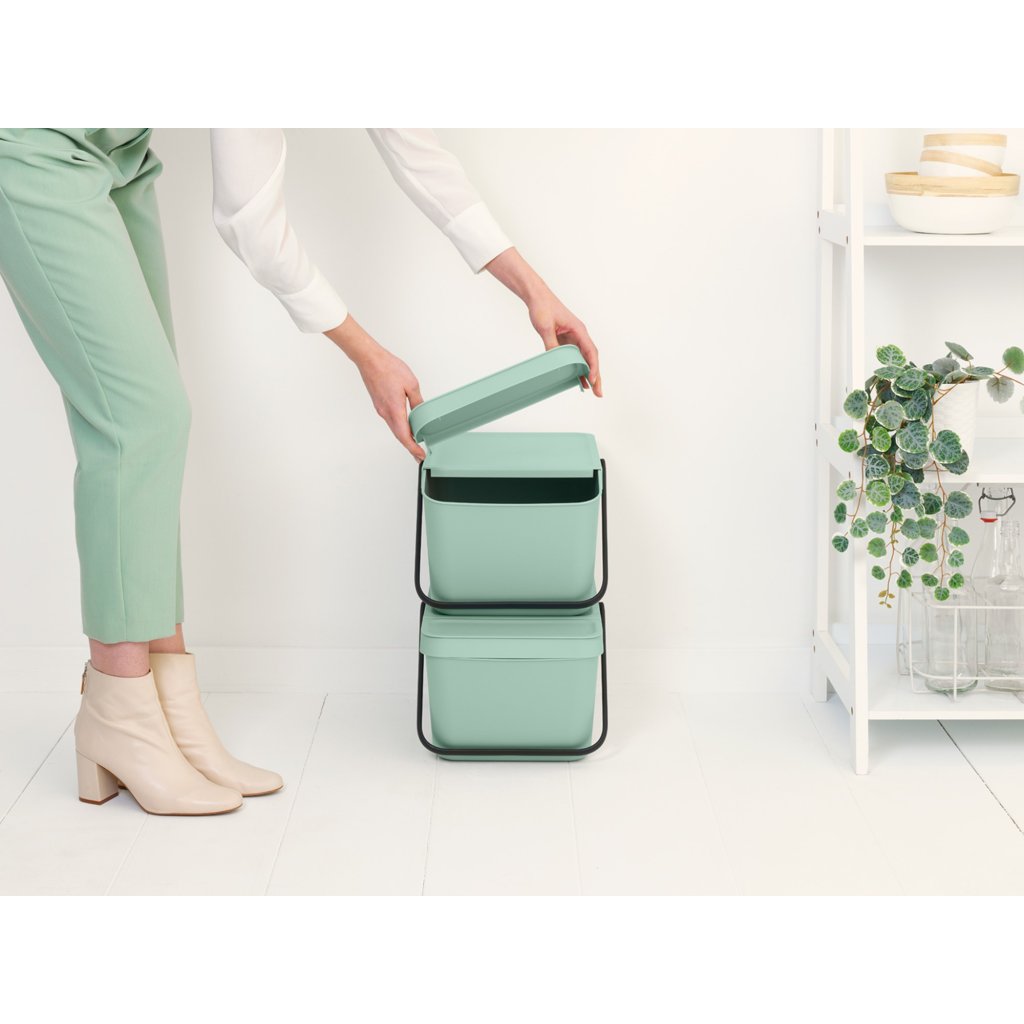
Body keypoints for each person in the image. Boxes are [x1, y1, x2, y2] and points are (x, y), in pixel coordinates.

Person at [0, 127, 601, 817]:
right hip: (33, 140)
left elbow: (417, 151)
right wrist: (368, 354)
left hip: (120, 152)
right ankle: (119, 707)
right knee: (140, 423)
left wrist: (533, 290)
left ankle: (167, 707)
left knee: (150, 431)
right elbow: (250, 221)